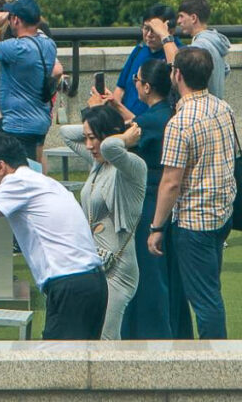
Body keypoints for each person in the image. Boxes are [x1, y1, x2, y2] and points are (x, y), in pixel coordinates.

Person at [0, 134, 107, 339]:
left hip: (71, 284)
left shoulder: (16, 182)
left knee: (59, 364)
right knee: (80, 365)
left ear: (0, 167)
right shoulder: (40, 180)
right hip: (91, 282)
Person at [148, 47, 238, 339]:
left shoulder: (180, 124)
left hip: (194, 221)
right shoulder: (223, 108)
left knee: (205, 299)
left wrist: (156, 226)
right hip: (222, 213)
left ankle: (217, 364)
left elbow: (171, 182)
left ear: (177, 75)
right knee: (210, 288)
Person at [60, 105, 146, 339]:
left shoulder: (133, 166)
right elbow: (66, 133)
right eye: (86, 138)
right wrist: (93, 123)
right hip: (93, 263)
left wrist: (122, 136)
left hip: (118, 269)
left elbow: (110, 146)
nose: (88, 145)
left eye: (93, 138)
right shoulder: (98, 162)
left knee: (105, 338)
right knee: (94, 335)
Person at [118, 59, 176, 339]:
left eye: (138, 81)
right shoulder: (170, 113)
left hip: (150, 198)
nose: (135, 84)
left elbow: (116, 145)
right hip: (169, 200)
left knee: (149, 272)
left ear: (148, 87)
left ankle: (149, 334)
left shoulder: (149, 121)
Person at [0, 0, 59, 164]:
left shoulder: (17, 47)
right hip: (39, 119)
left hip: (19, 125)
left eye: (10, 17)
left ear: (16, 20)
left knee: (20, 175)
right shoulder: (48, 44)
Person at [149, 0, 231, 100]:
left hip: (200, 110)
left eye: (181, 16)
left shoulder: (200, 46)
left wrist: (164, 34)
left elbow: (178, 68)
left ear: (193, 18)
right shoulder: (213, 43)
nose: (178, 21)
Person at [112, 4, 181, 117]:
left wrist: (165, 36)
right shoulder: (139, 50)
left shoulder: (178, 51)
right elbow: (120, 88)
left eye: (154, 30)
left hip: (155, 124)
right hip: (128, 120)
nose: (149, 35)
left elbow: (177, 67)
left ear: (171, 31)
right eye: (146, 28)